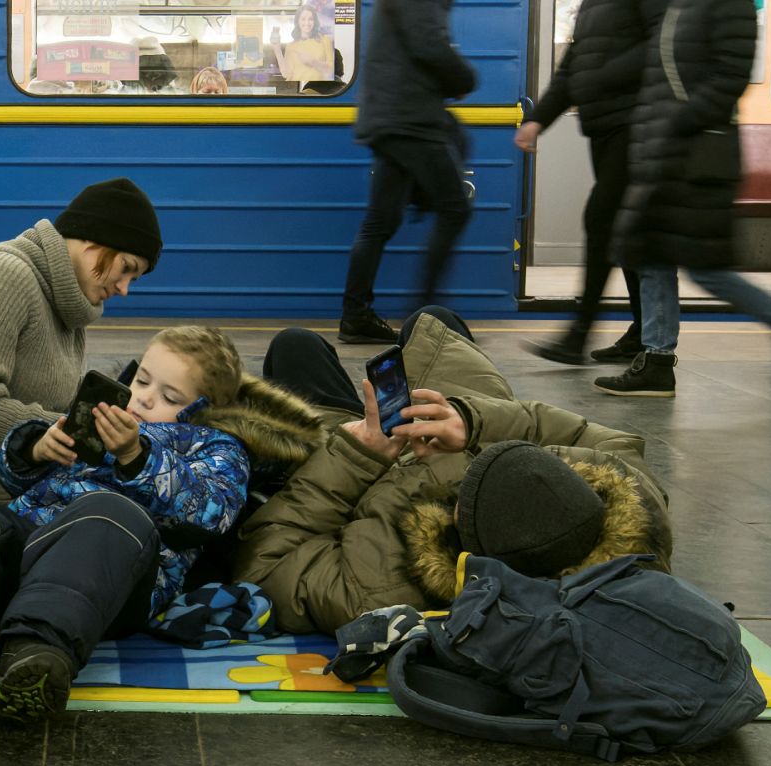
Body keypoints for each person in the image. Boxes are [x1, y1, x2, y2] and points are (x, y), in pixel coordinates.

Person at [0, 326, 325, 721]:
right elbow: (17, 477)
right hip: (33, 551)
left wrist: (138, 455)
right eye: (144, 380)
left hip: (114, 577)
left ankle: (36, 658)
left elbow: (209, 511)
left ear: (203, 409)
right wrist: (34, 449)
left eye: (170, 395)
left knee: (107, 511)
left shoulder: (216, 447)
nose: (146, 399)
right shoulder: (101, 417)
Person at [234, 311, 674, 634]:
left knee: (297, 346)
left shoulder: (377, 590)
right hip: (451, 421)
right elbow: (613, 442)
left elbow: (263, 566)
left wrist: (357, 454)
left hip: (360, 468)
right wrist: (472, 422)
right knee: (435, 321)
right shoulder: (631, 509)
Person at [602, 0, 771, 397]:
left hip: (700, 154)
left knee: (704, 268)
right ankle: (656, 361)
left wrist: (674, 123)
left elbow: (729, 77)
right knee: (650, 254)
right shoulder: (679, 6)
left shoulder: (728, 5)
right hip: (667, 151)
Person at [0, 177, 163, 499]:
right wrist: (52, 430)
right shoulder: (2, 275)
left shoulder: (68, 307)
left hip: (18, 467)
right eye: (125, 268)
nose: (124, 289)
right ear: (94, 241)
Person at [515, 0, 657, 364]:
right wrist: (538, 118)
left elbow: (663, 45)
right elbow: (573, 66)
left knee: (602, 221)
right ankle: (643, 333)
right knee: (624, 232)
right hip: (605, 127)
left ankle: (579, 336)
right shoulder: (592, 4)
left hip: (638, 123)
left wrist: (599, 77)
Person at [336, 0, 476, 344]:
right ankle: (428, 322)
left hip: (392, 116)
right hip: (409, 119)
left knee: (380, 222)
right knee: (456, 207)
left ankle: (356, 316)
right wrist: (465, 77)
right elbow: (428, 43)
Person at [271, 4, 335, 85]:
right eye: (303, 19)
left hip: (317, 90)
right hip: (295, 90)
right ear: (298, 21)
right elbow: (286, 73)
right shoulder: (291, 46)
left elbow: (330, 70)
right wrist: (276, 48)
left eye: (310, 19)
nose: (307, 23)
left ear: (315, 21)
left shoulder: (325, 40)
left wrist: (313, 61)